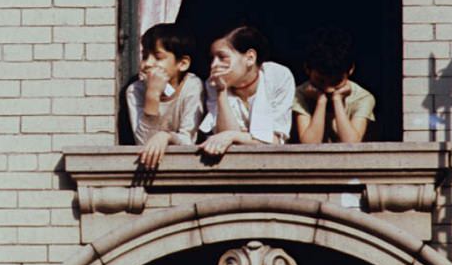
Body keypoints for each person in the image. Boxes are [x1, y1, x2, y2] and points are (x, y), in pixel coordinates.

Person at [198, 25, 295, 157]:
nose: (214, 65)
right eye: (212, 58)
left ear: (250, 58)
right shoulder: (213, 84)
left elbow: (273, 142)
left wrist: (233, 136)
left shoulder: (277, 77)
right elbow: (223, 141)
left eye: (222, 57)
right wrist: (221, 91)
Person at [122, 24, 204, 170]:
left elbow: (188, 141)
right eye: (145, 56)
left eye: (158, 57)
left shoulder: (192, 86)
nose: (148, 64)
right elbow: (144, 144)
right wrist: (152, 96)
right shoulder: (135, 91)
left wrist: (166, 137)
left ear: (183, 63)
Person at [293, 28, 375, 144]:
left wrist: (337, 100)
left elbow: (351, 143)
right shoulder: (299, 94)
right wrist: (321, 101)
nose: (328, 89)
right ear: (307, 69)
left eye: (336, 82)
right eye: (320, 81)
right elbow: (310, 143)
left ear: (351, 70)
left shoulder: (362, 97)